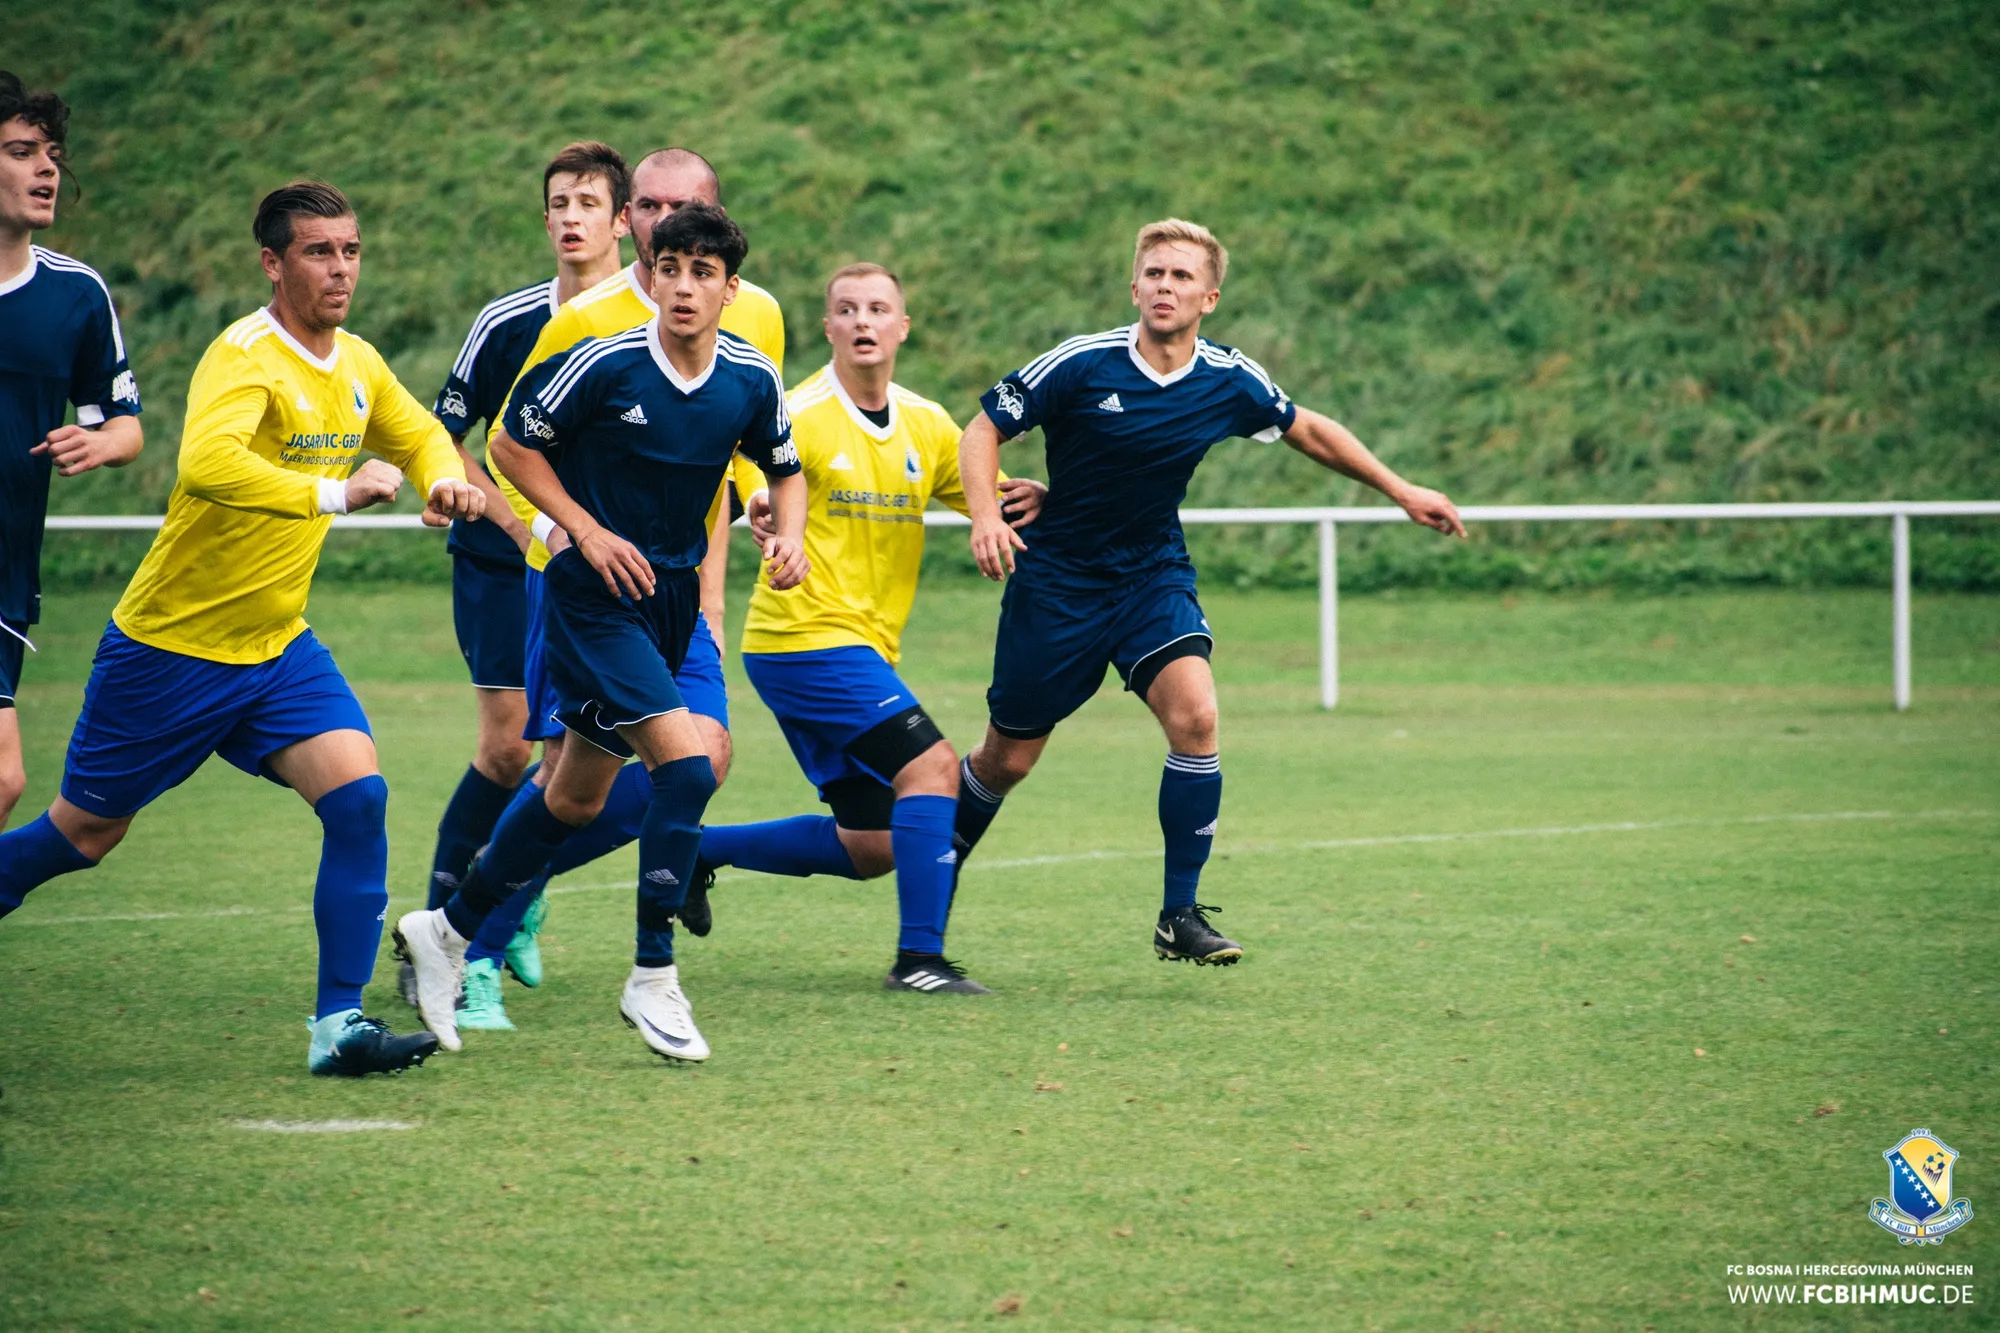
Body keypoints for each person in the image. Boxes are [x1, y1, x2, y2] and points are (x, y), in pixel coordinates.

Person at [0, 181, 485, 1075]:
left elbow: (417, 430)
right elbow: (207, 463)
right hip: (171, 650)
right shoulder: (245, 355)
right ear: (272, 262)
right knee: (81, 837)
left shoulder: (357, 362)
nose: (340, 269)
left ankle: (338, 1028)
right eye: (318, 252)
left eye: (350, 250)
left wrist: (443, 477)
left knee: (359, 797)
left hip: (275, 647)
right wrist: (334, 492)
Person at [954, 219, 1465, 965]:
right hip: (1059, 583)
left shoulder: (1228, 377)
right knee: (1007, 761)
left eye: (1182, 276)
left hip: (1151, 574)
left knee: (1196, 716)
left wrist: (1401, 489)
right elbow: (981, 431)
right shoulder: (1082, 362)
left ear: (1210, 297)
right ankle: (933, 869)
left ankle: (1179, 915)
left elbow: (1308, 429)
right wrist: (982, 516)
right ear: (1135, 287)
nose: (1165, 286)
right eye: (1154, 274)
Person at [396, 203, 806, 1063]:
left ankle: (448, 929)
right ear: (650, 276)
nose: (682, 286)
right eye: (670, 268)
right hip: (591, 598)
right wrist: (581, 530)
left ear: (731, 290)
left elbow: (783, 467)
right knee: (687, 766)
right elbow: (510, 446)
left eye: (702, 273)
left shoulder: (751, 377)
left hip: (671, 600)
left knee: (573, 799)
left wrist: (789, 535)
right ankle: (653, 975)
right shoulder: (604, 361)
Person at [699, 263, 1044, 993]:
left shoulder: (925, 422)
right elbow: (752, 467)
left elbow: (989, 497)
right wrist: (759, 503)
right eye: (848, 309)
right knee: (934, 767)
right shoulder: (799, 411)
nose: (863, 321)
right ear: (827, 326)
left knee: (874, 844)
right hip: (803, 636)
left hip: (858, 649)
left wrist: (1036, 500)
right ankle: (920, 961)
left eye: (879, 309)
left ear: (902, 327)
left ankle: (694, 850)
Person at [418, 141, 630, 996]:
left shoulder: (646, 319)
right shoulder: (507, 321)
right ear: (545, 220)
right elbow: (445, 437)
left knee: (591, 758)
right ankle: (438, 931)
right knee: (510, 750)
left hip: (600, 565)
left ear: (622, 220)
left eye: (589, 203)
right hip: (503, 560)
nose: (572, 218)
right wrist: (520, 526)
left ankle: (517, 897)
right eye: (559, 204)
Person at [0, 71, 144, 828]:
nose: (48, 169)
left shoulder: (76, 295)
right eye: (22, 151)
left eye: (52, 154)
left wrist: (97, 443)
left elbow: (125, 425)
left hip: (7, 577)